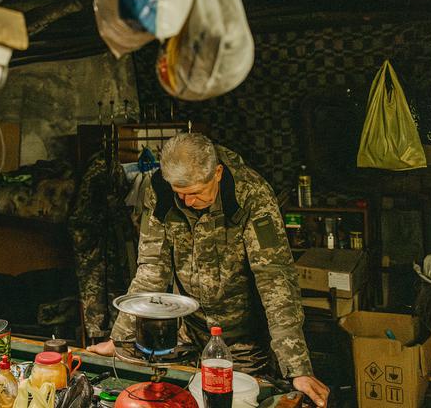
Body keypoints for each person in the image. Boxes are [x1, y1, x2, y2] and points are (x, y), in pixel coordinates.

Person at [87, 133, 330, 407]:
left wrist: (297, 368)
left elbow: (276, 279)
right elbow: (152, 268)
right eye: (181, 194)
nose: (187, 202)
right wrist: (120, 339)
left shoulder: (252, 194)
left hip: (243, 345)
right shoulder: (161, 191)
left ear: (217, 173)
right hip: (187, 336)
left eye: (195, 193)